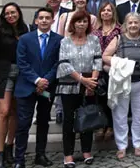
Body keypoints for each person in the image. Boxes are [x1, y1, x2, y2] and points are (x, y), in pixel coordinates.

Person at [14, 7, 62, 168]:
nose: (44, 20)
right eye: (41, 18)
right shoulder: (25, 39)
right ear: (35, 21)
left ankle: (40, 155)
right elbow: (22, 63)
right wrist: (36, 80)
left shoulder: (58, 40)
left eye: (47, 18)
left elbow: (58, 63)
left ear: (52, 21)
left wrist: (45, 80)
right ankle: (19, 159)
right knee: (23, 123)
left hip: (47, 88)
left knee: (43, 121)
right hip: (26, 87)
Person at [56, 11, 102, 167]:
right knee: (69, 120)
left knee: (87, 117)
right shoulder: (65, 42)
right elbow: (64, 64)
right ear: (73, 23)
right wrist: (83, 80)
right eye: (79, 21)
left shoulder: (94, 40)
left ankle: (86, 151)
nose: (82, 24)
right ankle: (68, 155)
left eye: (84, 21)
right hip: (69, 85)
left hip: (90, 85)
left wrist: (92, 82)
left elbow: (97, 60)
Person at [103, 13, 140, 159]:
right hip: (122, 81)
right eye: (130, 23)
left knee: (139, 114)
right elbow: (105, 56)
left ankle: (138, 144)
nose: (133, 25)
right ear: (125, 25)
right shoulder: (119, 39)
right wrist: (122, 64)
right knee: (119, 115)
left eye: (136, 23)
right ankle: (121, 146)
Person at [0, 3, 29, 168]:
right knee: (4, 111)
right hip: (3, 73)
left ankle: (9, 148)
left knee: (15, 112)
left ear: (19, 13)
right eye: (7, 13)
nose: (10, 16)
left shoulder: (25, 29)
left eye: (13, 12)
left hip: (21, 74)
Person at [92, 2, 122, 142]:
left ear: (113, 13)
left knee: (112, 98)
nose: (106, 13)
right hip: (96, 69)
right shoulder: (94, 31)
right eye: (103, 11)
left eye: (109, 10)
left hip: (113, 70)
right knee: (100, 99)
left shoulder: (120, 30)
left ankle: (111, 126)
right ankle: (100, 125)